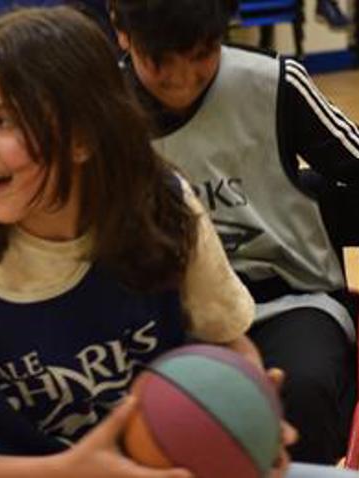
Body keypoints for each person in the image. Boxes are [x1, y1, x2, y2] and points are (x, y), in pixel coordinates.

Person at [0, 6, 299, 477]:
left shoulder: (162, 207)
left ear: (84, 136)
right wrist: (66, 470)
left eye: (3, 121)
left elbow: (228, 341)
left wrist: (250, 416)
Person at [109, 0, 359, 465]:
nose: (182, 80)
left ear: (226, 29)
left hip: (289, 299)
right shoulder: (98, 109)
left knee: (303, 387)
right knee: (135, 414)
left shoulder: (274, 82)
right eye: (160, 62)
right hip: (160, 315)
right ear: (121, 31)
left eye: (201, 56)